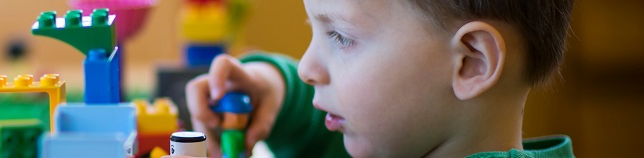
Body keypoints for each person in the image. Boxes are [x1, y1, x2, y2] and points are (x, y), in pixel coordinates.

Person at [182, 0, 574, 157]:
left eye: (340, 36)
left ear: (470, 62)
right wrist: (275, 87)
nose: (306, 68)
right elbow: (318, 131)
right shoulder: (403, 139)